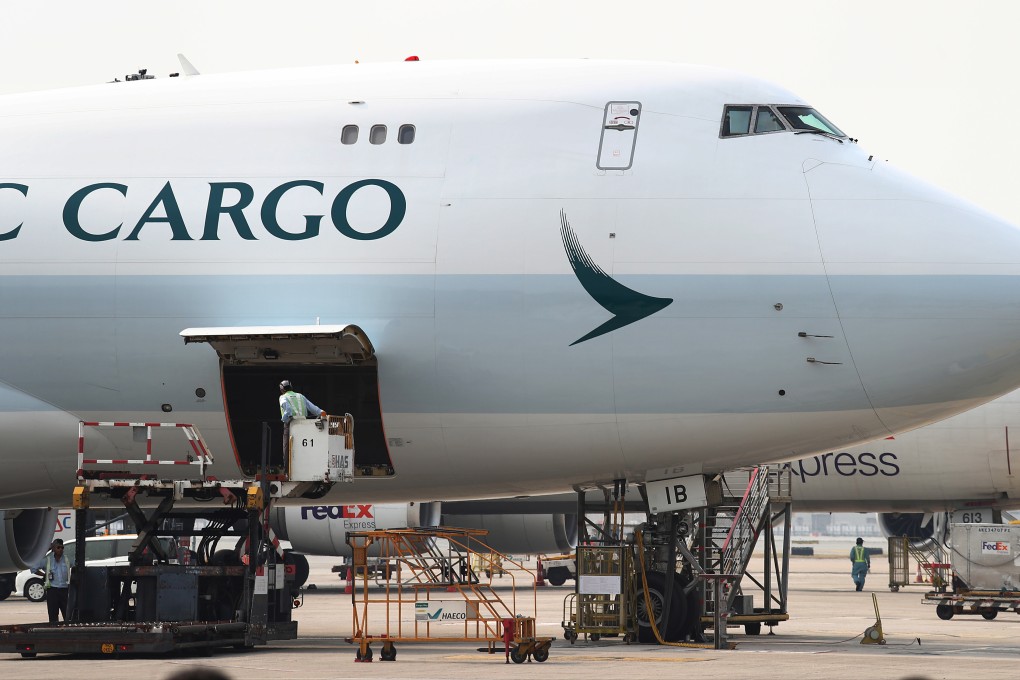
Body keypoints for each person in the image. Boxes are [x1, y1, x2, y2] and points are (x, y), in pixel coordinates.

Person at [279, 380, 324, 457]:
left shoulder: (283, 397)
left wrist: (285, 419)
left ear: (282, 389)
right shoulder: (301, 396)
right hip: (304, 425)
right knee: (304, 447)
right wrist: (322, 412)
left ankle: (287, 468)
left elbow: (288, 410)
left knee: (287, 449)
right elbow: (314, 409)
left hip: (291, 424)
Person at [37, 538, 70, 622]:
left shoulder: (67, 559)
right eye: (58, 547)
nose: (61, 549)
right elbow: (33, 568)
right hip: (52, 590)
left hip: (64, 590)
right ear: (54, 548)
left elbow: (76, 567)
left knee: (67, 614)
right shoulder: (47, 560)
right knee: (53, 615)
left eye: (62, 548)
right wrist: (44, 575)